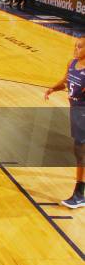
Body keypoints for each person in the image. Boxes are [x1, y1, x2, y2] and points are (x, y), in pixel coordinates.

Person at [44, 37, 84, 208]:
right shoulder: (72, 63)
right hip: (75, 111)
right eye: (75, 45)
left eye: (80, 47)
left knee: (80, 150)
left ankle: (80, 193)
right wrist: (53, 88)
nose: (76, 48)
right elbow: (66, 81)